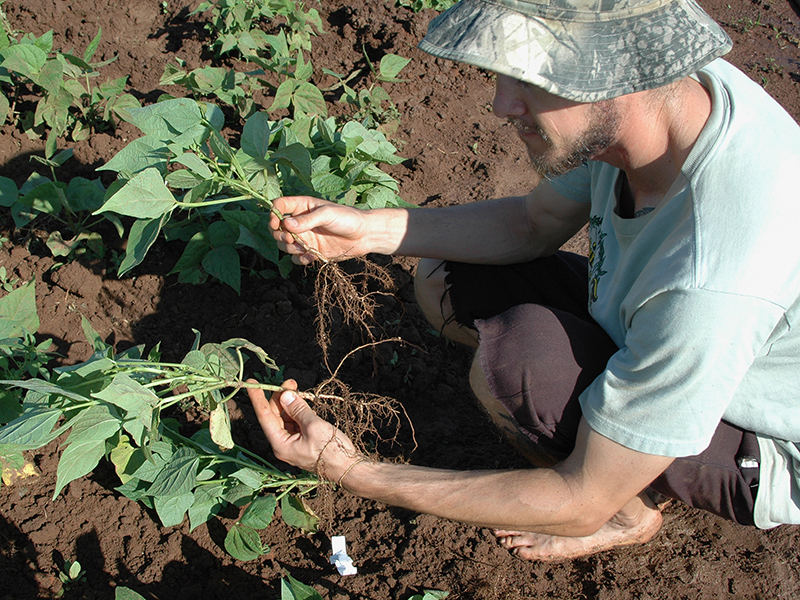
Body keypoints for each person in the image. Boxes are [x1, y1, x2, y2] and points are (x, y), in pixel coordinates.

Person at [246, 0, 800, 561]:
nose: (501, 105)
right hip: (663, 328)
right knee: (445, 276)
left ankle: (629, 512)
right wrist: (367, 231)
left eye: (531, 81)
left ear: (617, 79)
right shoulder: (663, 95)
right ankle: (621, 435)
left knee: (515, 372)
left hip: (758, 441)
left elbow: (579, 494)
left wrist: (349, 469)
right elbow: (532, 225)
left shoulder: (715, 276)